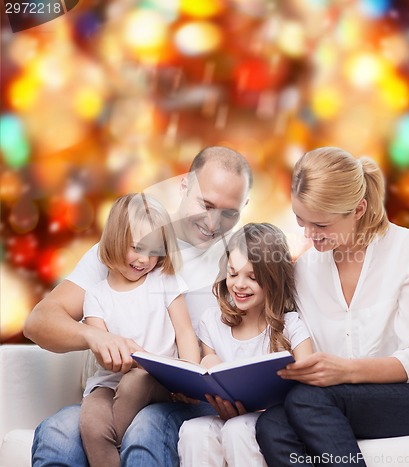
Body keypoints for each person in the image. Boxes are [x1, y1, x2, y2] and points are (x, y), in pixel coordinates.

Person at [255, 147, 409, 466]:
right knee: (272, 425)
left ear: (359, 209)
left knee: (308, 401)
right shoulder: (305, 270)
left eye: (321, 225)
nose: (309, 235)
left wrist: (343, 371)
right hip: (347, 399)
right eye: (301, 220)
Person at [24, 146, 252, 467]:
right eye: (207, 204)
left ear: (245, 207)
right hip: (114, 392)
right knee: (58, 433)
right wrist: (94, 337)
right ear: (184, 185)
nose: (214, 222)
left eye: (229, 213)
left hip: (184, 400)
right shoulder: (121, 249)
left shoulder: (241, 265)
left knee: (145, 428)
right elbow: (39, 323)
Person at [79, 193, 200, 467]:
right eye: (136, 247)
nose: (144, 259)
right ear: (114, 240)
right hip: (109, 382)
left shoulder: (165, 279)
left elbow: (185, 333)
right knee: (91, 423)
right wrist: (127, 353)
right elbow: (102, 351)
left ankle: (119, 443)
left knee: (136, 381)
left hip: (159, 381)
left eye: (154, 250)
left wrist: (190, 378)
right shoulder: (96, 295)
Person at [178, 223, 313, 467]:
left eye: (252, 277)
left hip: (273, 420)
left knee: (239, 429)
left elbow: (309, 385)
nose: (239, 284)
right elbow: (210, 376)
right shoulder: (212, 321)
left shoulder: (291, 325)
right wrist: (208, 362)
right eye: (232, 273)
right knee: (194, 430)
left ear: (273, 280)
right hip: (224, 415)